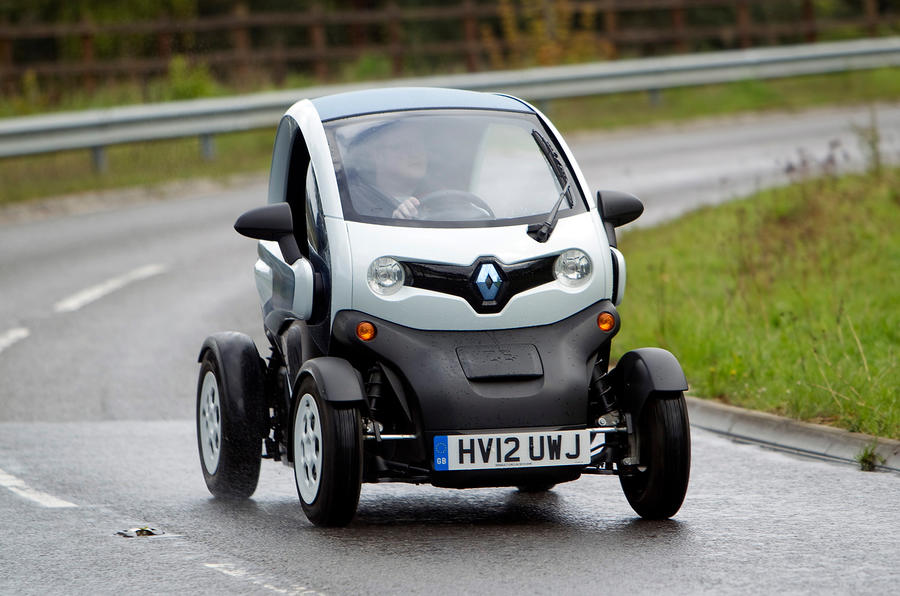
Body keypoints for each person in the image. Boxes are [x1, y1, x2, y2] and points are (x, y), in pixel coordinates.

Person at [345, 119, 427, 220]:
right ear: (378, 156)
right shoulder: (354, 206)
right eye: (403, 146)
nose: (415, 153)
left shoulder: (442, 196)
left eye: (419, 144)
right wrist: (396, 222)